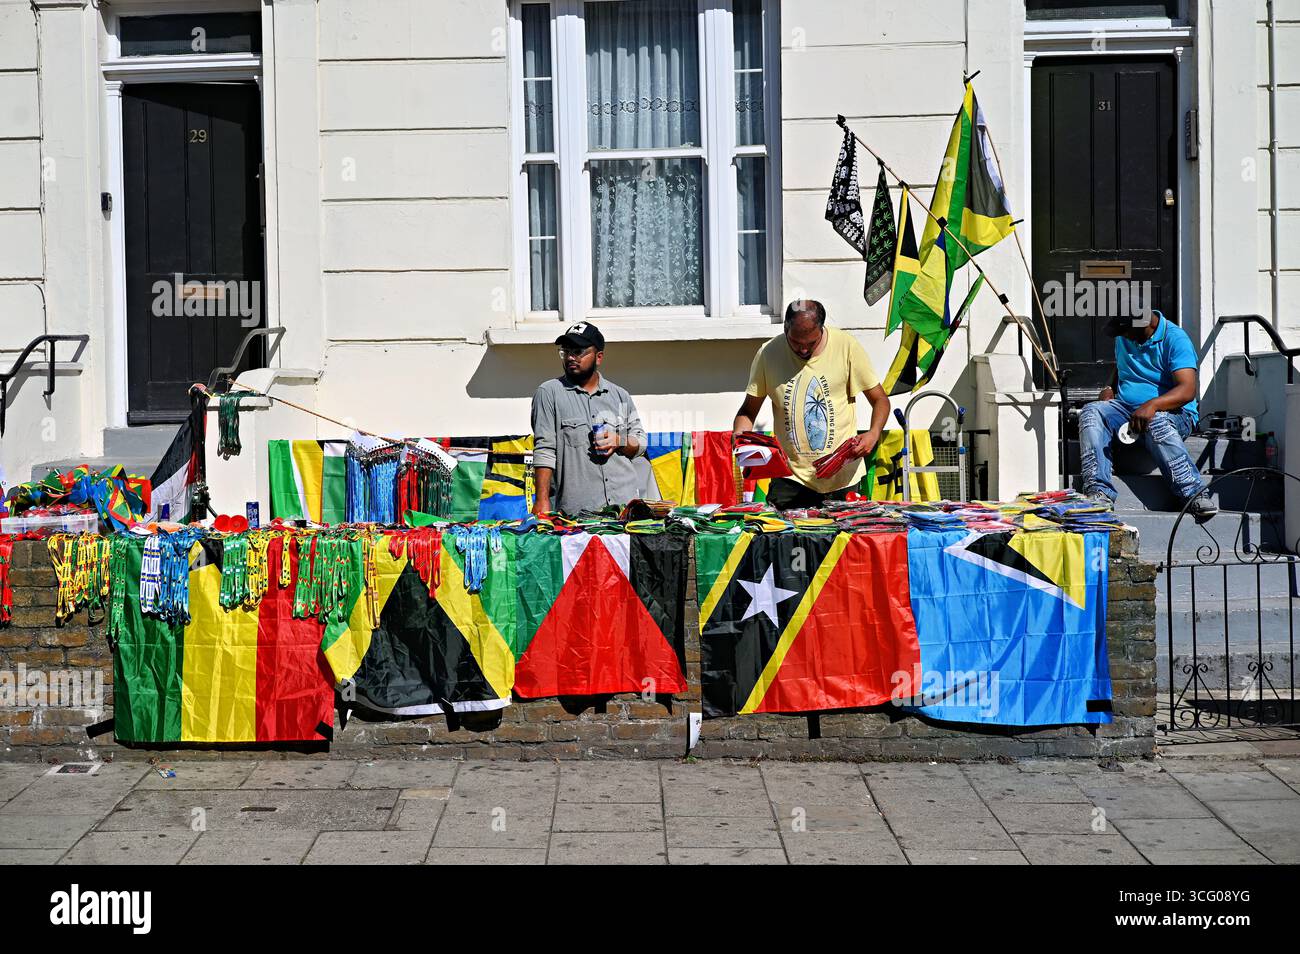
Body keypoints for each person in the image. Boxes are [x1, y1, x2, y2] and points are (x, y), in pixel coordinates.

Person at [732, 300, 892, 510]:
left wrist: (873, 433)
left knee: (842, 543)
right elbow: (748, 411)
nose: (804, 349)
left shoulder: (846, 347)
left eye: (812, 342)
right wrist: (741, 441)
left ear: (822, 329)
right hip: (790, 479)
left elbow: (880, 399)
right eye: (796, 343)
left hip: (843, 479)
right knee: (787, 541)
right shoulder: (768, 354)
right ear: (785, 328)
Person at [1078, 308, 1215, 519]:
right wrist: (1109, 387)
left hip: (1174, 413)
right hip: (1126, 409)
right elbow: (1123, 364)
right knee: (1091, 412)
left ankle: (1193, 493)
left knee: (1157, 421)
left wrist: (1152, 405)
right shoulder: (1127, 337)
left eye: (1125, 333)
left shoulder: (1176, 339)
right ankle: (1098, 493)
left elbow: (1187, 390)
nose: (1122, 338)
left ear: (1144, 327)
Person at [531, 321, 647, 515]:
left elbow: (641, 442)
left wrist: (619, 441)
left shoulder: (620, 395)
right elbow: (544, 450)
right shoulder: (549, 393)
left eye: (578, 352)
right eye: (566, 351)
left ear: (599, 357)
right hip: (578, 512)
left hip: (624, 509)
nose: (570, 357)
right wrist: (542, 500)